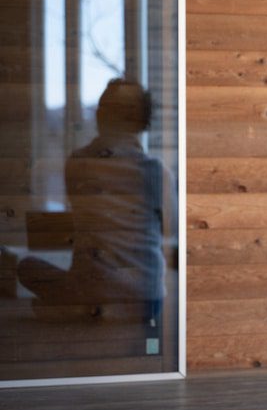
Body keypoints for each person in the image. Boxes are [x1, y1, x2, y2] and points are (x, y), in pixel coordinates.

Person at [17, 78, 175, 320]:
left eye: (102, 107)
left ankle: (86, 310)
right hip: (148, 299)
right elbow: (171, 227)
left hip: (92, 290)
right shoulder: (156, 170)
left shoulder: (78, 162)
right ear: (142, 120)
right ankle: (97, 311)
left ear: (102, 117)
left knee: (27, 267)